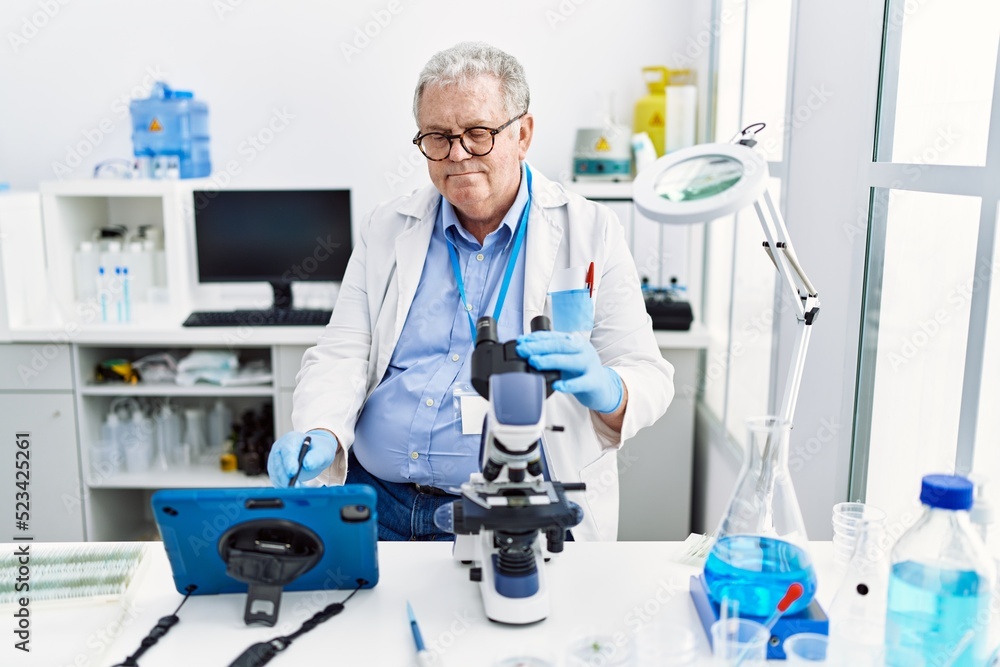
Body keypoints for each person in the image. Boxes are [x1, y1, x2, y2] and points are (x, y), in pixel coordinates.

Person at [267, 42, 674, 541]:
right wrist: (323, 429)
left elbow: (648, 374)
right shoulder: (386, 227)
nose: (457, 155)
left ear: (522, 134)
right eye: (437, 137)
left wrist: (609, 388)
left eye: (478, 134)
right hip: (374, 505)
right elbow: (343, 351)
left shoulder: (590, 229)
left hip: (513, 514)